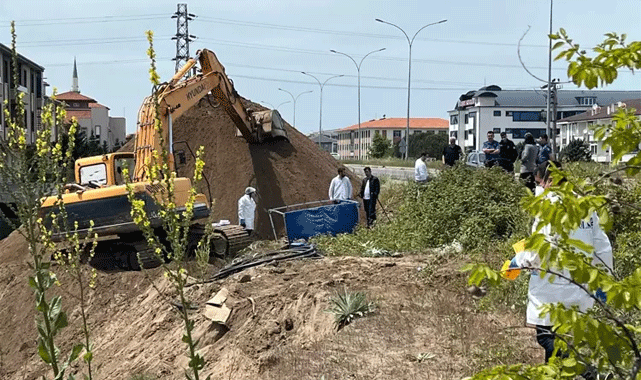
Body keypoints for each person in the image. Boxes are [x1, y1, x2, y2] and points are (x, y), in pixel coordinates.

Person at [513, 161, 613, 364]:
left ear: (548, 181)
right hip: (581, 285)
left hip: (552, 285)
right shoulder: (585, 206)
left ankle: (589, 372)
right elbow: (602, 246)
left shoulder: (547, 207)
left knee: (545, 337)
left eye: (539, 183)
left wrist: (519, 260)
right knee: (563, 340)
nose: (538, 188)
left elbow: (539, 249)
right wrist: (604, 280)